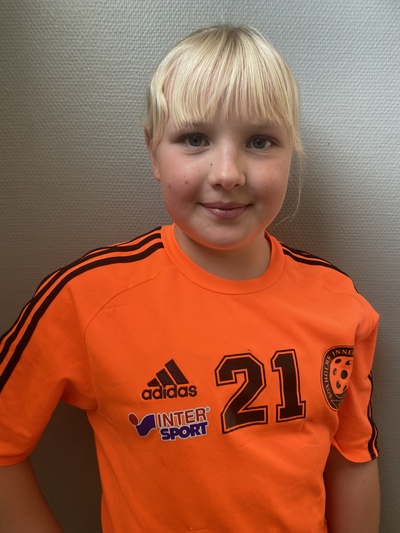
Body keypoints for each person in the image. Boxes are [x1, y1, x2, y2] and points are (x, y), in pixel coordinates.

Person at [0, 24, 380, 532]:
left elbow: (354, 455)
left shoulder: (338, 302)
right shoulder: (88, 299)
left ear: (291, 152)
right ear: (153, 151)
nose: (227, 173)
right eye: (195, 139)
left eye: (261, 141)